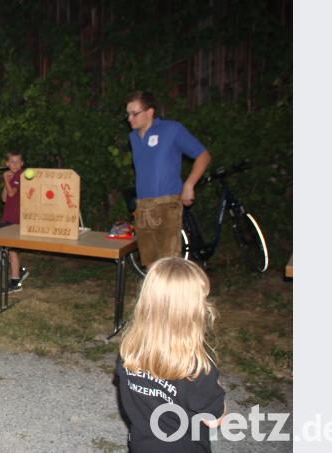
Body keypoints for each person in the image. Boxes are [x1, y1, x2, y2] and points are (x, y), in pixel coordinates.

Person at [116, 257, 226, 452]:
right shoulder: (198, 366)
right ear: (193, 310)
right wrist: (217, 391)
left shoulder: (129, 350)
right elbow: (213, 420)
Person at [126, 91, 211, 268]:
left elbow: (203, 155)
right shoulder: (133, 138)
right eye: (128, 114)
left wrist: (189, 184)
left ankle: (173, 296)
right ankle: (155, 296)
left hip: (167, 204)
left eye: (135, 113)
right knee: (150, 264)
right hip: (143, 207)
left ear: (150, 112)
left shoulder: (172, 130)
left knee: (169, 264)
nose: (130, 118)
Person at [0, 150, 30, 292]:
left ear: (22, 163)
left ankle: (15, 282)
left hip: (16, 219)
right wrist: (7, 180)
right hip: (9, 216)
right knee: (12, 250)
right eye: (12, 161)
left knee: (11, 250)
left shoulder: (21, 175)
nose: (15, 164)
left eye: (18, 162)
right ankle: (20, 271)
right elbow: (5, 198)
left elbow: (12, 193)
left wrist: (5, 178)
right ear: (7, 163)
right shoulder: (12, 176)